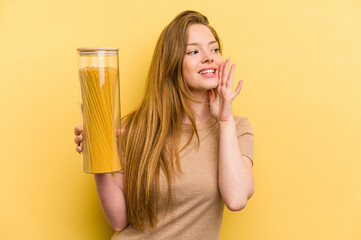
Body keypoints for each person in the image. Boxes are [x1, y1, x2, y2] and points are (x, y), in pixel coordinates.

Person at [74, 10, 254, 240]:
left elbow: (237, 199)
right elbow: (119, 220)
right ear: (172, 63)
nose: (209, 57)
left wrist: (225, 120)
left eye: (214, 48)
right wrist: (97, 151)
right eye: (193, 51)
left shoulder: (237, 129)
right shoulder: (134, 128)